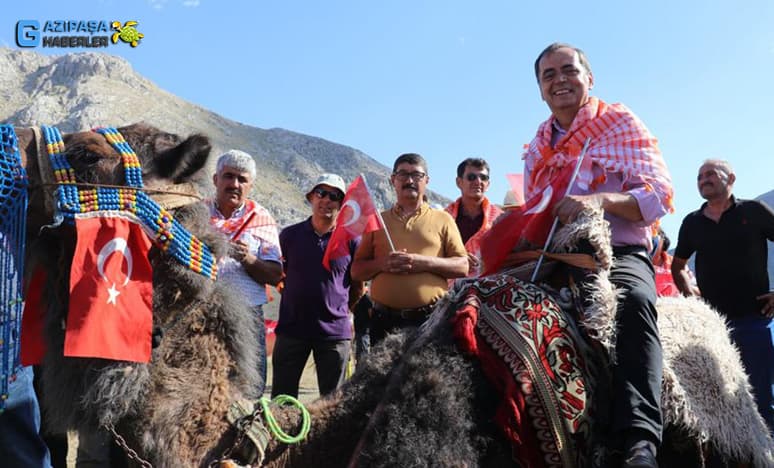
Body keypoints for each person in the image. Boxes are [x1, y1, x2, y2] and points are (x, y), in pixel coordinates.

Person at [524, 43, 674, 467]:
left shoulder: (619, 122)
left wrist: (599, 200)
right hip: (553, 253)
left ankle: (640, 438)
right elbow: (537, 210)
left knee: (635, 302)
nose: (559, 80)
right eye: (548, 75)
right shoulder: (538, 145)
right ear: (540, 89)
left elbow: (658, 194)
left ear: (589, 78)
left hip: (616, 251)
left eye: (568, 70)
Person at [672, 159, 774, 432]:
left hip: (755, 319)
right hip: (712, 327)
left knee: (761, 398)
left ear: (730, 179)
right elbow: (678, 265)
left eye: (710, 174)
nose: (703, 179)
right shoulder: (692, 223)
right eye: (699, 176)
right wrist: (689, 294)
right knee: (719, 400)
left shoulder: (753, 211)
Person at [351, 153, 468, 345]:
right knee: (382, 375)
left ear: (426, 181)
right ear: (393, 180)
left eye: (416, 175)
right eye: (403, 174)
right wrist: (383, 263)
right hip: (383, 323)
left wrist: (422, 262)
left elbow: (462, 266)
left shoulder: (443, 219)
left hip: (430, 322)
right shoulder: (377, 221)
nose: (410, 180)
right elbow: (357, 271)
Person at [271, 174, 364, 398]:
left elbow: (358, 286)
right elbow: (277, 274)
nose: (327, 200)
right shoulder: (289, 236)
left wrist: (338, 311)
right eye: (321, 193)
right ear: (311, 197)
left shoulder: (352, 240)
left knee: (332, 404)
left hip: (334, 336)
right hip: (292, 331)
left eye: (334, 196)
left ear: (342, 204)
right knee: (281, 401)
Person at [208, 150, 282, 395]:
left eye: (242, 179)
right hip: (201, 313)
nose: (234, 184)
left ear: (251, 185)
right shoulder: (196, 214)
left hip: (247, 315)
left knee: (249, 388)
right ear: (215, 179)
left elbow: (274, 275)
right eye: (228, 176)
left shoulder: (261, 218)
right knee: (202, 384)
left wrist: (248, 258)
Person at [445, 158, 502, 277]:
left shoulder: (500, 219)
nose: (478, 181)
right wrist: (458, 260)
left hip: (488, 286)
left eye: (483, 177)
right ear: (459, 182)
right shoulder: (443, 218)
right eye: (471, 177)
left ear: (488, 184)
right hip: (448, 287)